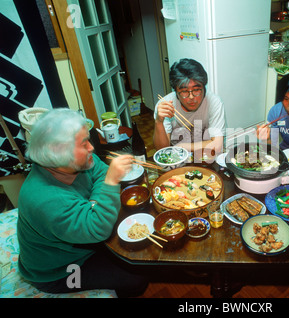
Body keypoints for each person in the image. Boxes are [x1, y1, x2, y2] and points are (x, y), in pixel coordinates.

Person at [17, 109, 149, 297]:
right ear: (60, 154)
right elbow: (97, 229)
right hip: (61, 270)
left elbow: (100, 172)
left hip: (82, 244)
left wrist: (93, 203)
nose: (91, 148)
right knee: (136, 277)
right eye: (83, 143)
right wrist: (110, 182)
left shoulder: (74, 162)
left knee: (135, 248)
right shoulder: (45, 200)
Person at [153, 58, 226, 159]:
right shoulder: (165, 105)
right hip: (179, 157)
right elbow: (162, 150)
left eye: (196, 90)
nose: (191, 97)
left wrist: (182, 146)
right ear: (176, 91)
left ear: (204, 87)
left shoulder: (214, 102)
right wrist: (158, 122)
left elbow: (217, 146)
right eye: (184, 91)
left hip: (206, 155)